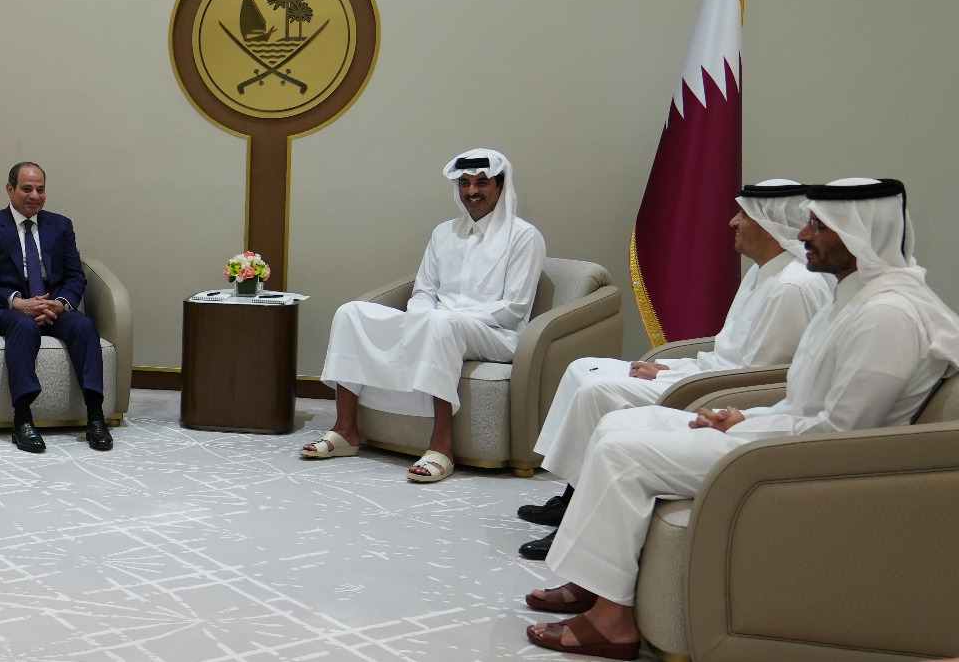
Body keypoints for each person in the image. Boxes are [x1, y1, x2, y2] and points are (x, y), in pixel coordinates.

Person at [525, 178, 959, 660]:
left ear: (861, 233)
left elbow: (839, 435)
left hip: (810, 465)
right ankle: (598, 585)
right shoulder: (854, 297)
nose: (803, 235)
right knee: (618, 425)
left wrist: (749, 427)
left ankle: (612, 623)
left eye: (819, 227)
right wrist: (742, 415)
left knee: (622, 454)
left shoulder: (886, 315)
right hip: (786, 437)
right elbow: (803, 401)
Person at [514, 179, 832, 559]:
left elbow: (752, 374)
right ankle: (574, 494)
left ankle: (577, 512)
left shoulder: (791, 287)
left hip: (716, 390)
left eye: (743, 215)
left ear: (769, 225)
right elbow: (726, 349)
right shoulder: (762, 272)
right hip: (704, 374)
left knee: (598, 391)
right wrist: (671, 365)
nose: (732, 222)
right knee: (584, 368)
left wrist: (669, 375)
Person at [300, 148, 546, 482]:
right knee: (351, 313)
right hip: (436, 322)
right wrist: (419, 319)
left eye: (482, 182)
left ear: (501, 186)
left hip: (497, 334)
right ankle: (346, 430)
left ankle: (442, 448)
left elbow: (514, 307)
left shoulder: (524, 236)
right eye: (465, 183)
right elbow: (423, 292)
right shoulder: (443, 233)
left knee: (441, 323)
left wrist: (443, 319)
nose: (472, 191)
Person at [0, 162, 111, 454]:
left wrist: (60, 304)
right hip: (8, 307)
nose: (35, 196)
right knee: (23, 325)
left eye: (40, 190)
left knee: (83, 326)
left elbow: (75, 275)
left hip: (51, 304)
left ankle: (96, 416)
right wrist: (18, 303)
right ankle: (23, 419)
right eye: (27, 188)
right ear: (10, 189)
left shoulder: (61, 225)